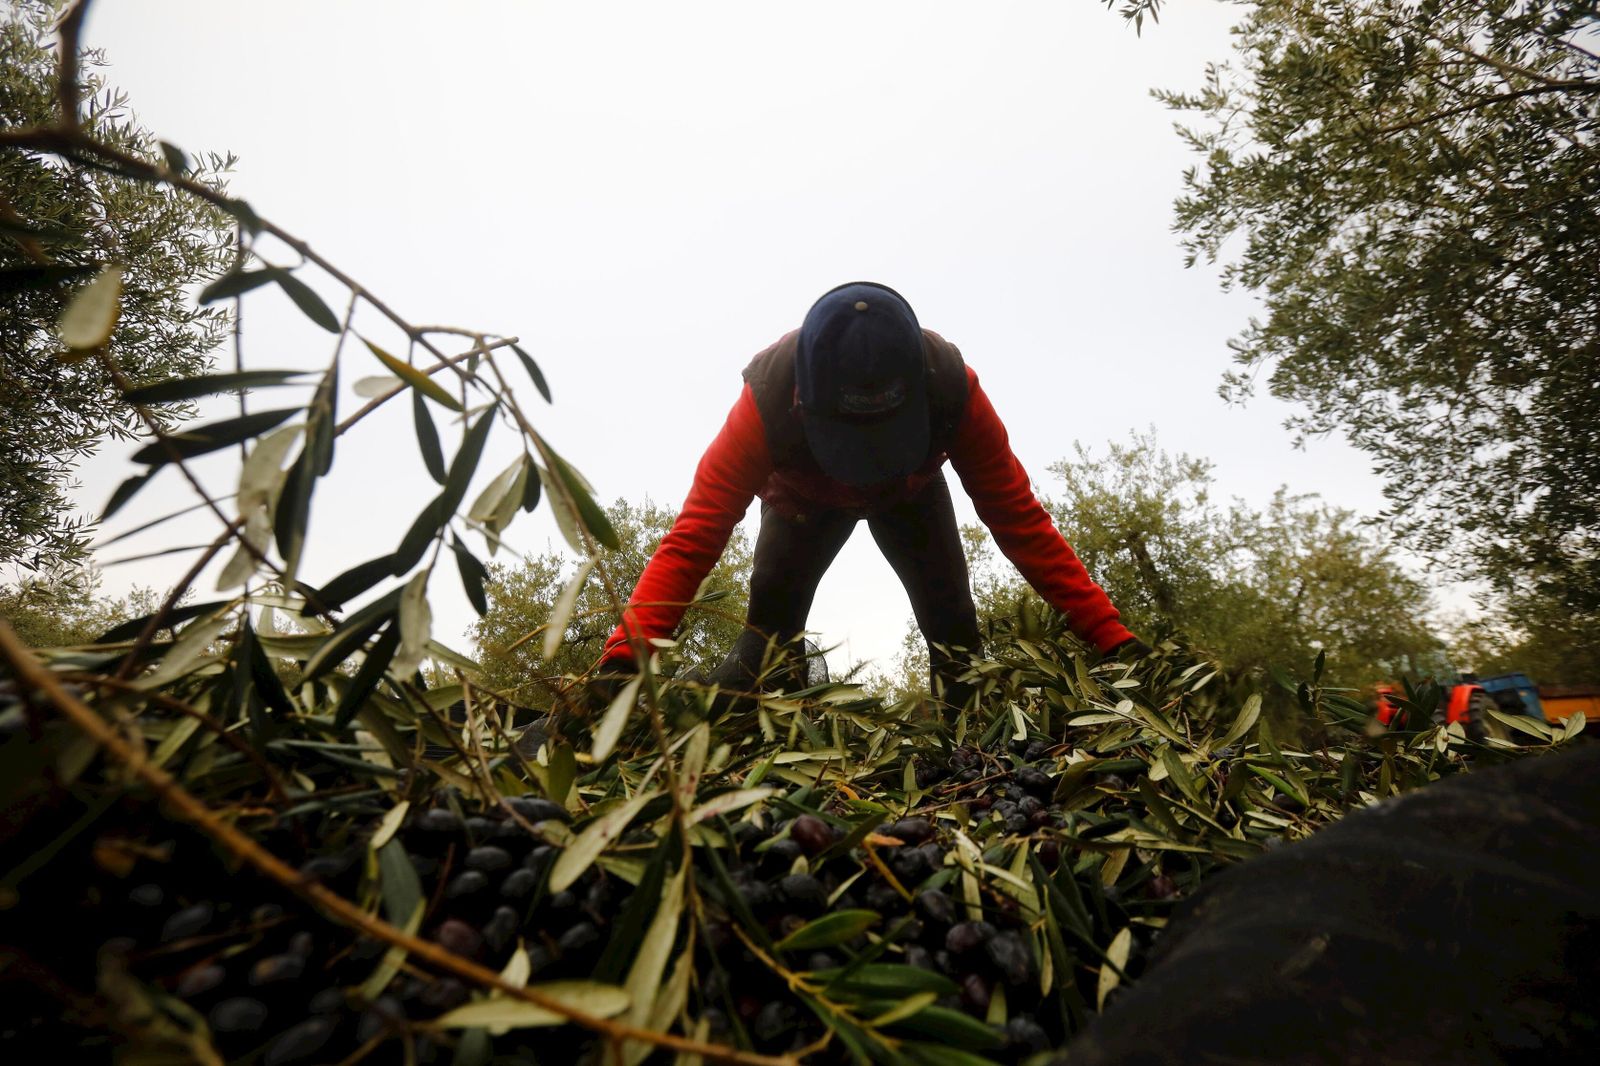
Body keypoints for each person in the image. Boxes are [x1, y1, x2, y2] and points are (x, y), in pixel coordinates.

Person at [596, 281, 1145, 710]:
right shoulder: (765, 399)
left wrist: (1113, 638)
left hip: (910, 496)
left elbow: (1020, 521)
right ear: (804, 399)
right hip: (801, 506)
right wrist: (625, 659)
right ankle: (733, 729)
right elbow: (695, 538)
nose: (859, 474)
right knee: (764, 654)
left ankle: (971, 757)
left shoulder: (952, 388)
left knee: (957, 640)